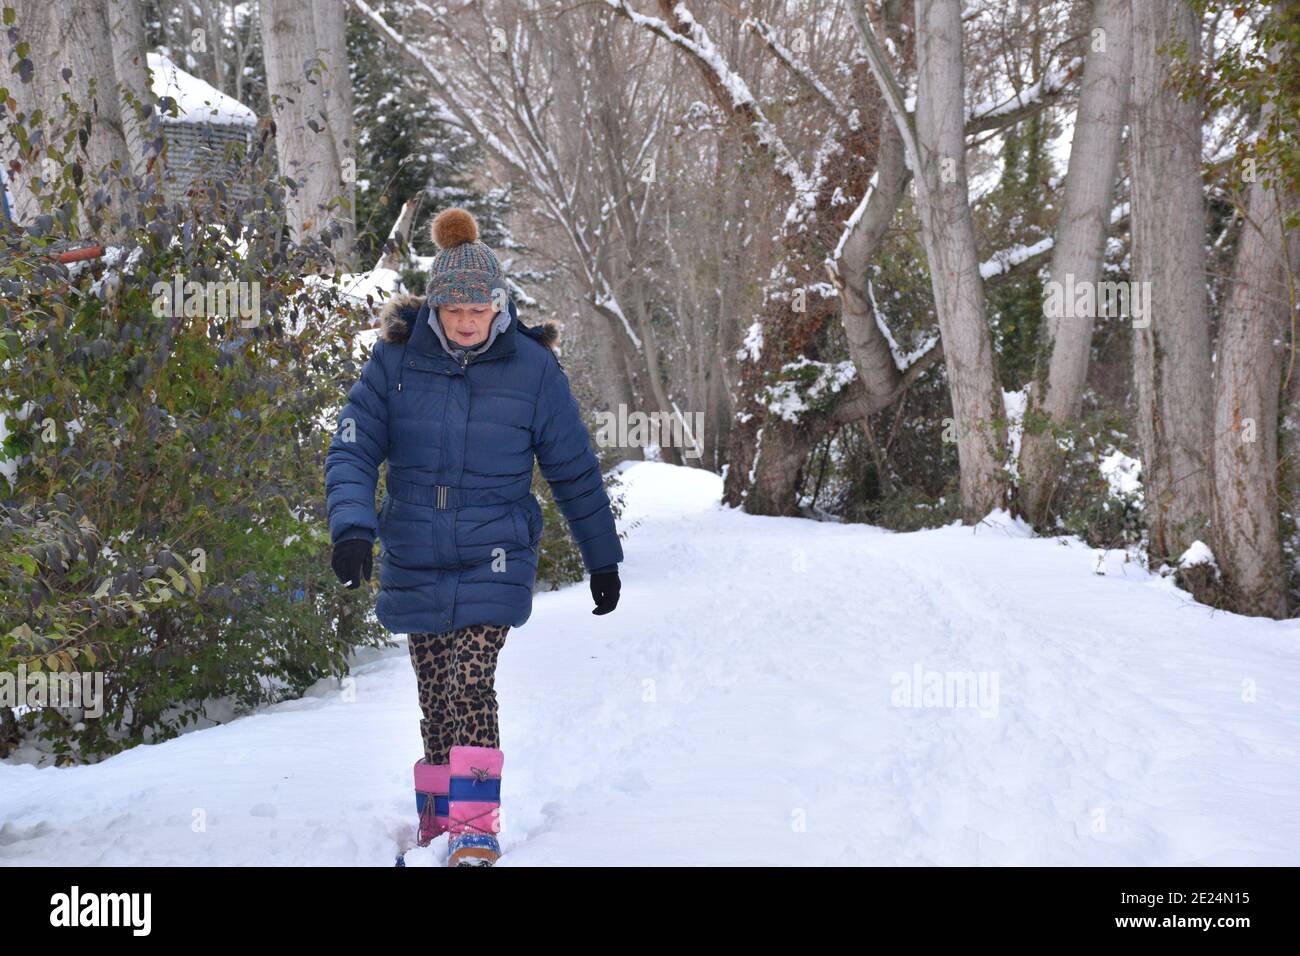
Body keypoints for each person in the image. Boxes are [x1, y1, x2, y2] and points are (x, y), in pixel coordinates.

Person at [324, 208, 622, 866]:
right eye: (453, 308)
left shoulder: (533, 371)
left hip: (496, 552)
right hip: (416, 554)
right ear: (434, 306)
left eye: (478, 309)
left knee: (468, 681)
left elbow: (571, 465)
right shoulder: (397, 361)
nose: (466, 321)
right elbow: (351, 448)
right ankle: (437, 821)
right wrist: (352, 528)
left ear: (499, 305)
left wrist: (602, 558)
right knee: (434, 695)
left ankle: (476, 827)